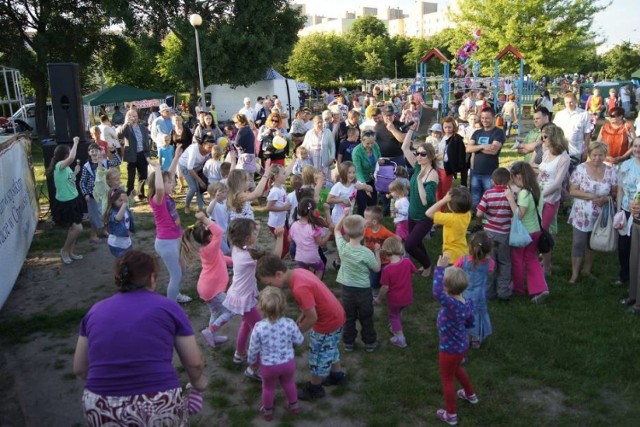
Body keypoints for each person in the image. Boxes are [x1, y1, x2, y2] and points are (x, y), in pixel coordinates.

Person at [73, 250, 207, 426]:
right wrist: (198, 382)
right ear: (152, 278)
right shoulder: (168, 308)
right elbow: (194, 363)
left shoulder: (95, 311)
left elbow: (80, 368)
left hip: (100, 404)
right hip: (158, 400)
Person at [255, 254, 346, 401]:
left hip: (326, 323)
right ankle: (337, 375)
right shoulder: (299, 272)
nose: (270, 287)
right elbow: (312, 302)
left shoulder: (299, 288)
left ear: (278, 274)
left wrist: (294, 334)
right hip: (337, 316)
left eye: (270, 283)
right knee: (330, 348)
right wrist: (303, 314)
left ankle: (315, 388)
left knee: (318, 356)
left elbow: (313, 318)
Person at [223, 218, 283, 376]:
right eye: (254, 232)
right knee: (260, 332)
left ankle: (239, 353)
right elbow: (275, 258)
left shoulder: (236, 247)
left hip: (239, 294)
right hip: (244, 298)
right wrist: (280, 237)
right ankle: (255, 367)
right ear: (248, 238)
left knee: (245, 324)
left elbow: (247, 236)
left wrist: (254, 226)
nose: (256, 232)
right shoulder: (248, 257)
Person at [432, 253, 478, 426]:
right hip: (462, 345)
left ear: (446, 287)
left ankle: (451, 414)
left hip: (449, 349)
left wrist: (440, 269)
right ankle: (470, 394)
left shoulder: (450, 305)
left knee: (447, 378)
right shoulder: (467, 302)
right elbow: (470, 321)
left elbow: (436, 292)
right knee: (457, 369)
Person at [246, 287, 304, 421]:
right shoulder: (289, 323)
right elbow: (300, 341)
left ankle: (267, 411)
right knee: (289, 383)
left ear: (261, 307)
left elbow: (253, 348)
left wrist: (251, 361)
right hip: (288, 363)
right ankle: (294, 405)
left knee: (268, 388)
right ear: (283, 305)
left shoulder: (259, 327)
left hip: (268, 366)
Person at [180, 212, 233, 349]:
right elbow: (219, 232)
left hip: (206, 287)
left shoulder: (209, 250)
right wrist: (204, 219)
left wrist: (237, 261)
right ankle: (210, 331)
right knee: (230, 311)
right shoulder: (210, 248)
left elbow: (222, 259)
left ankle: (212, 338)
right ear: (210, 236)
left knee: (215, 312)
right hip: (212, 289)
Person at [567, 142, 618, 283]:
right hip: (582, 213)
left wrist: (606, 199)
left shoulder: (611, 171)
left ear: (605, 155)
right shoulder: (580, 169)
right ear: (589, 154)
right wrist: (592, 197)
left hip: (601, 213)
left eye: (600, 155)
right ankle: (574, 273)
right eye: (594, 155)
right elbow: (572, 190)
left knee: (592, 242)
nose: (597, 158)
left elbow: (614, 193)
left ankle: (587, 270)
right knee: (578, 242)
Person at [148, 149, 192, 303]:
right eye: (169, 182)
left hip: (175, 239)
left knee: (183, 269)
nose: (172, 183)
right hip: (166, 243)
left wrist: (176, 158)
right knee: (176, 275)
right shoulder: (157, 200)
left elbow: (170, 175)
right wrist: (158, 168)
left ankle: (176, 294)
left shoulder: (166, 196)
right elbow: (160, 187)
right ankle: (171, 305)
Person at [334, 213, 381, 353]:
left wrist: (344, 215)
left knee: (349, 317)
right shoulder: (366, 253)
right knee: (366, 317)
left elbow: (336, 230)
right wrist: (377, 252)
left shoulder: (342, 247)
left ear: (347, 232)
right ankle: (370, 343)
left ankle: (348, 343)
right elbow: (377, 268)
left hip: (347, 289)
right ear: (363, 231)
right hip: (363, 291)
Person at [505, 162, 549, 302]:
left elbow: (519, 215)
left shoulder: (524, 193)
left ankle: (518, 288)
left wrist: (511, 199)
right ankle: (540, 287)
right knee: (532, 259)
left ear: (518, 176)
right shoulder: (536, 189)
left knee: (517, 260)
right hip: (536, 230)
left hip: (524, 233)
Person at [401, 126, 438, 277]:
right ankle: (426, 263)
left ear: (430, 157)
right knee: (416, 242)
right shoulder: (417, 166)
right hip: (412, 213)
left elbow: (426, 202)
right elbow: (404, 147)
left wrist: (421, 181)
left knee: (409, 245)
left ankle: (428, 265)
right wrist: (411, 130)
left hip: (424, 216)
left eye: (423, 154)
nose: (419, 156)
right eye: (418, 153)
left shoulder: (432, 175)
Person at [533, 124, 570, 273]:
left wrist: (541, 195)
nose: (542, 139)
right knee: (535, 230)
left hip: (549, 199)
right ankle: (536, 261)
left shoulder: (564, 158)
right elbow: (541, 171)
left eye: (545, 137)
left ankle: (546, 265)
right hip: (537, 194)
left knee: (543, 233)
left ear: (554, 138)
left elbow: (557, 183)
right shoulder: (547, 152)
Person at [476, 168, 513, 301]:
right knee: (505, 262)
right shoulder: (511, 195)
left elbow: (479, 213)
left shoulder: (488, 194)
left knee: (489, 262)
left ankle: (488, 292)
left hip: (489, 232)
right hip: (505, 233)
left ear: (492, 181)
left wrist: (479, 223)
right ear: (509, 180)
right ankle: (503, 292)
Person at [374, 237, 416, 348]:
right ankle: (395, 326)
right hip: (407, 296)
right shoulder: (407, 262)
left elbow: (385, 287)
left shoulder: (387, 269)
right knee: (399, 311)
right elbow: (413, 273)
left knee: (393, 315)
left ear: (386, 252)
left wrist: (379, 298)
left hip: (395, 299)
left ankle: (400, 339)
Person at [454, 231, 494, 349]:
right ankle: (476, 339)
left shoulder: (463, 260)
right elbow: (491, 271)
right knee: (477, 315)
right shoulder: (490, 263)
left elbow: (454, 270)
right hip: (479, 295)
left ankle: (465, 340)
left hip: (464, 293)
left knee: (464, 316)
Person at [48, 137, 83, 264]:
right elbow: (72, 157)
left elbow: (70, 181)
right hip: (66, 202)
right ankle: (64, 250)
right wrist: (75, 142)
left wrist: (74, 173)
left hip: (74, 200)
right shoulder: (59, 166)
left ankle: (71, 252)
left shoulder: (66, 168)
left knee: (74, 229)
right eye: (69, 152)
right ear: (66, 155)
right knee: (78, 228)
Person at [80, 143, 121, 243]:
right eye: (92, 151)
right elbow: (82, 182)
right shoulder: (86, 166)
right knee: (94, 216)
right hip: (92, 195)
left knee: (106, 212)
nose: (94, 152)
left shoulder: (105, 162)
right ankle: (93, 235)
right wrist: (85, 194)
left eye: (96, 150)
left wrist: (113, 152)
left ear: (100, 152)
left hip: (105, 193)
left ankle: (104, 230)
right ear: (89, 153)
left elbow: (118, 162)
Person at [466, 107, 506, 212]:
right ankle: (476, 216)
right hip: (475, 171)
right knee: (475, 197)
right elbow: (468, 149)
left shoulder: (498, 132)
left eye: (487, 118)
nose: (484, 120)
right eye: (482, 118)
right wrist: (483, 146)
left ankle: (489, 217)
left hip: (490, 172)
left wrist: (477, 147)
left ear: (493, 118)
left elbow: (493, 150)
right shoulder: (477, 132)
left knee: (490, 197)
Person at [426, 187, 473, 264]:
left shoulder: (450, 218)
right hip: (463, 251)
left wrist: (443, 200)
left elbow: (428, 213)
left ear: (451, 206)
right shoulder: (468, 214)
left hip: (450, 257)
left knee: (449, 275)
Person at [288, 197, 332, 278]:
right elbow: (321, 243)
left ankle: (307, 285)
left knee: (305, 274)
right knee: (320, 267)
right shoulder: (314, 227)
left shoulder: (294, 225)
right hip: (312, 258)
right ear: (313, 211)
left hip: (299, 257)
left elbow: (289, 239)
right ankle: (316, 284)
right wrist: (330, 232)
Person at [617, 138, 640, 289]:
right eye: (635, 146)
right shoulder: (625, 165)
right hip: (626, 210)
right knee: (623, 246)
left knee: (636, 248)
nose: (638, 149)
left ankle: (636, 279)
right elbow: (620, 189)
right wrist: (619, 209)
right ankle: (624, 275)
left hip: (638, 214)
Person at [363, 205, 397, 297]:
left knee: (385, 276)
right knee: (373, 276)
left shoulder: (384, 231)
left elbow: (397, 239)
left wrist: (385, 249)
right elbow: (365, 241)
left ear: (374, 221)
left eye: (366, 218)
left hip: (385, 260)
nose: (363, 219)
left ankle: (388, 289)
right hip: (372, 259)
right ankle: (375, 291)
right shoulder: (365, 229)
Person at [118, 109, 151, 199]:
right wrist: (126, 124)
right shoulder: (126, 127)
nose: (134, 118)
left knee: (143, 175)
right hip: (132, 155)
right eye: (132, 116)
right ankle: (129, 194)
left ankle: (141, 193)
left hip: (142, 154)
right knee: (131, 176)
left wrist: (148, 154)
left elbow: (146, 141)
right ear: (128, 117)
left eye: (135, 116)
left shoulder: (142, 127)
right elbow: (120, 135)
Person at [178, 135, 213, 213]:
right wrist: (200, 181)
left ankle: (200, 209)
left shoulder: (209, 151)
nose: (211, 150)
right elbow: (190, 168)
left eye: (212, 147)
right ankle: (186, 206)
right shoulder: (194, 149)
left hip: (197, 167)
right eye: (209, 147)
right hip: (185, 166)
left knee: (199, 189)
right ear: (203, 144)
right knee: (193, 188)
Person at [553, 92, 590, 163]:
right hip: (561, 152)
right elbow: (554, 132)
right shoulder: (559, 115)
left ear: (576, 101)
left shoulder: (584, 114)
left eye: (571, 102)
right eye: (566, 102)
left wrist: (586, 151)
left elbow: (587, 133)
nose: (569, 104)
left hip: (577, 152)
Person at [351, 130, 380, 215]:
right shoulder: (357, 151)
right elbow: (358, 170)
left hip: (373, 178)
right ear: (361, 140)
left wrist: (379, 161)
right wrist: (365, 187)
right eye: (367, 143)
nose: (370, 145)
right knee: (362, 205)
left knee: (373, 203)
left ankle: (372, 223)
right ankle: (361, 224)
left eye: (372, 143)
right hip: (361, 180)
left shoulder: (375, 146)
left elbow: (379, 156)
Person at [266, 164, 292, 258]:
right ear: (277, 177)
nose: (286, 176)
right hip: (276, 224)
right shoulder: (275, 191)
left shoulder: (281, 188)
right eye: (283, 174)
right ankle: (276, 263)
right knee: (286, 246)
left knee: (286, 242)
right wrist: (284, 208)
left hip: (281, 221)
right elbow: (268, 207)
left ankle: (278, 260)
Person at [438, 118, 467, 201]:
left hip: (447, 169)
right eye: (445, 127)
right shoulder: (444, 137)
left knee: (444, 192)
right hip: (438, 167)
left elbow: (459, 156)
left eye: (449, 127)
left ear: (454, 127)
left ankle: (442, 210)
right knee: (438, 191)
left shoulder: (456, 139)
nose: (447, 129)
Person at [301, 115, 335, 183]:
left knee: (325, 178)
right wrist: (300, 152)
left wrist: (332, 157)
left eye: (321, 122)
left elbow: (332, 146)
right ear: (313, 124)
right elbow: (304, 146)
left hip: (324, 159)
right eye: (318, 122)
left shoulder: (327, 132)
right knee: (313, 177)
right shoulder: (309, 133)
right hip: (312, 159)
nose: (320, 124)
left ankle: (325, 191)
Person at [105, 188, 135, 258]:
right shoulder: (112, 212)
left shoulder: (125, 208)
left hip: (127, 242)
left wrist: (131, 197)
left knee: (129, 261)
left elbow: (129, 204)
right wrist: (124, 203)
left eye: (124, 200)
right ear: (113, 201)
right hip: (116, 245)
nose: (123, 202)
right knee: (124, 263)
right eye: (120, 200)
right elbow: (117, 219)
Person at [205, 182, 231, 256]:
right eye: (222, 192)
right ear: (214, 194)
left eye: (225, 192)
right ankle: (225, 260)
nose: (225, 194)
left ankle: (225, 259)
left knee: (226, 245)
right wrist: (215, 199)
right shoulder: (214, 204)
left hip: (225, 229)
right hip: (217, 231)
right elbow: (208, 211)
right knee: (224, 249)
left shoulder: (224, 202)